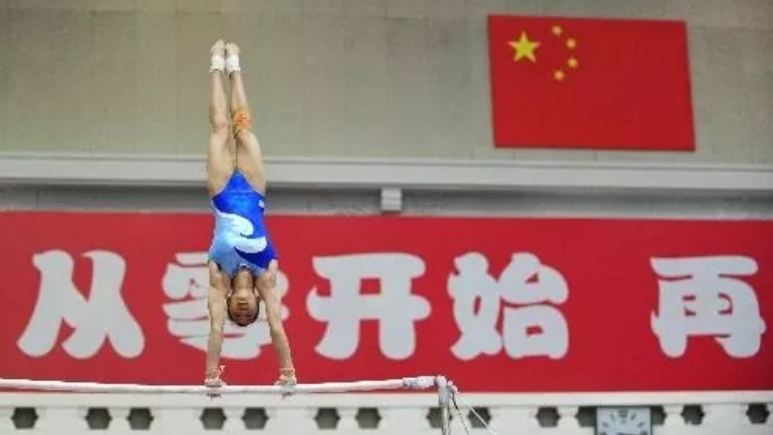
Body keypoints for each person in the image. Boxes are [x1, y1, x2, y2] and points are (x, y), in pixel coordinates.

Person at [203, 40, 296, 392]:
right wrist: (288, 371)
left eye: (236, 312)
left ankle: (216, 65)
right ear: (257, 301)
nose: (242, 309)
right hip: (254, 190)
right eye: (248, 312)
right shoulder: (267, 276)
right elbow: (276, 325)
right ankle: (236, 66)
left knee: (220, 129)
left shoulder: (218, 277)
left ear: (228, 302)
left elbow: (215, 328)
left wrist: (211, 376)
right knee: (243, 128)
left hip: (221, 190)